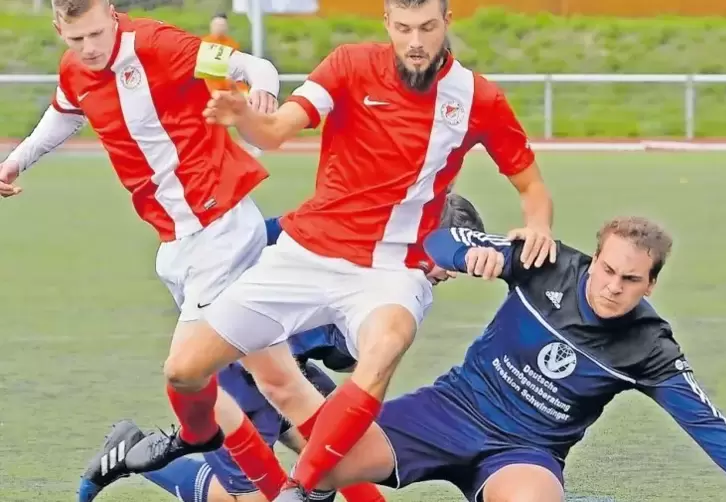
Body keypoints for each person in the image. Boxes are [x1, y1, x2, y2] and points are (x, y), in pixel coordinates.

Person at [123, 1, 556, 500]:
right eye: (404, 28)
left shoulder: (478, 98)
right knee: (183, 370)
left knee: (385, 344)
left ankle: (303, 489)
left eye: (427, 28)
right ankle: (196, 436)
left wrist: (538, 225)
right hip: (305, 254)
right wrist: (243, 113)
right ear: (388, 25)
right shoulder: (348, 64)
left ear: (447, 23)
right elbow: (277, 130)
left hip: (391, 269)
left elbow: (531, 185)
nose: (415, 41)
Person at [0, 0, 288, 497]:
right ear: (58, 30)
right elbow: (66, 111)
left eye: (96, 34)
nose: (90, 49)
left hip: (222, 230)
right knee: (272, 379)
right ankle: (261, 479)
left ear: (112, 13)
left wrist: (261, 90)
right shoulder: (76, 68)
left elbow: (252, 66)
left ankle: (188, 449)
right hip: (176, 246)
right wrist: (16, 161)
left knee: (193, 374)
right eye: (76, 39)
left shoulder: (160, 45)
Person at [291, 216, 726, 502]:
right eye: (608, 269)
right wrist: (467, 254)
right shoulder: (545, 262)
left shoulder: (650, 347)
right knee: (326, 465)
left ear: (650, 285)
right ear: (594, 259)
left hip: (526, 451)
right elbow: (439, 239)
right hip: (449, 410)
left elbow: (710, 427)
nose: (613, 285)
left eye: (631, 279)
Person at [79, 193, 484, 502]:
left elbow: (340, 355)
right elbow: (249, 246)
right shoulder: (337, 247)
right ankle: (135, 452)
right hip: (238, 367)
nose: (454, 269)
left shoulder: (400, 281)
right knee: (251, 496)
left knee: (347, 462)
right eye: (453, 255)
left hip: (289, 369)